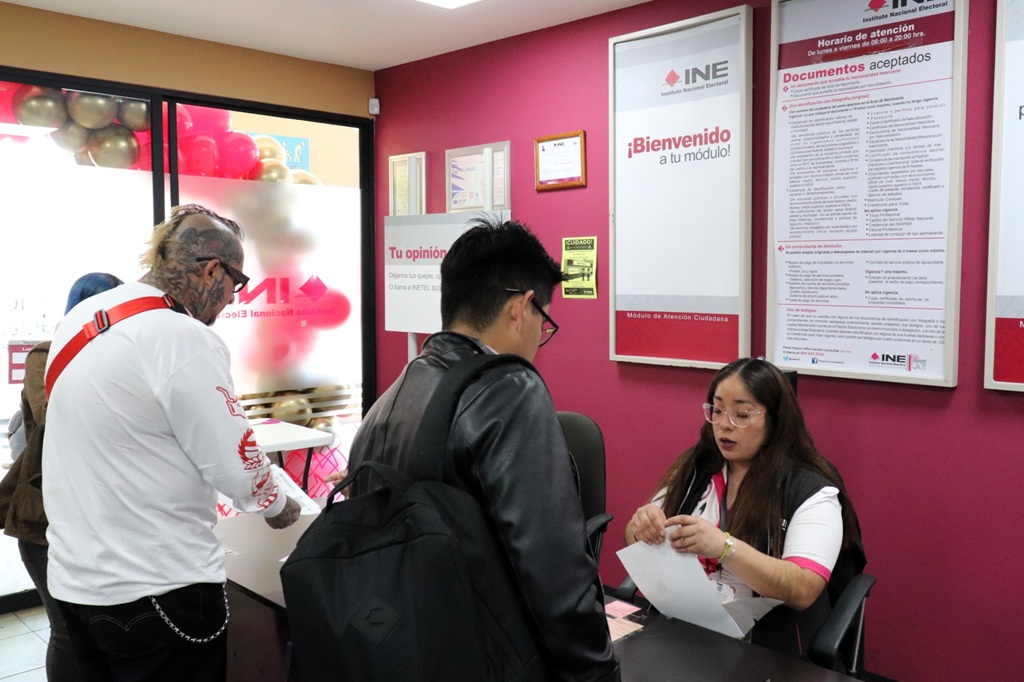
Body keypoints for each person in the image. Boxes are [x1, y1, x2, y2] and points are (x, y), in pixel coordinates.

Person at [345, 215, 619, 681]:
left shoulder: (392, 396)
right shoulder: (509, 389)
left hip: (402, 648)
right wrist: (598, 671)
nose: (540, 338)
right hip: (487, 656)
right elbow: (552, 567)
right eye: (543, 322)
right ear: (521, 307)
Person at [41, 205, 301, 681]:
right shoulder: (180, 336)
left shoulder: (83, 317)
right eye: (234, 286)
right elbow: (239, 466)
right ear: (211, 271)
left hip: (76, 580)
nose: (228, 302)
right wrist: (280, 506)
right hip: (160, 587)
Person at [624, 357, 862, 657]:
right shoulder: (698, 467)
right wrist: (642, 526)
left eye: (742, 414)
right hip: (683, 628)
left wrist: (724, 547)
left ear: (774, 419)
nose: (724, 424)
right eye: (718, 409)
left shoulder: (809, 490)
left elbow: (803, 588)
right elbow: (633, 537)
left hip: (761, 645)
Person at [0, 272, 123, 682]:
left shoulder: (123, 358)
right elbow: (57, 418)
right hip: (45, 520)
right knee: (70, 633)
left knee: (105, 631)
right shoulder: (46, 355)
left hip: (104, 517)